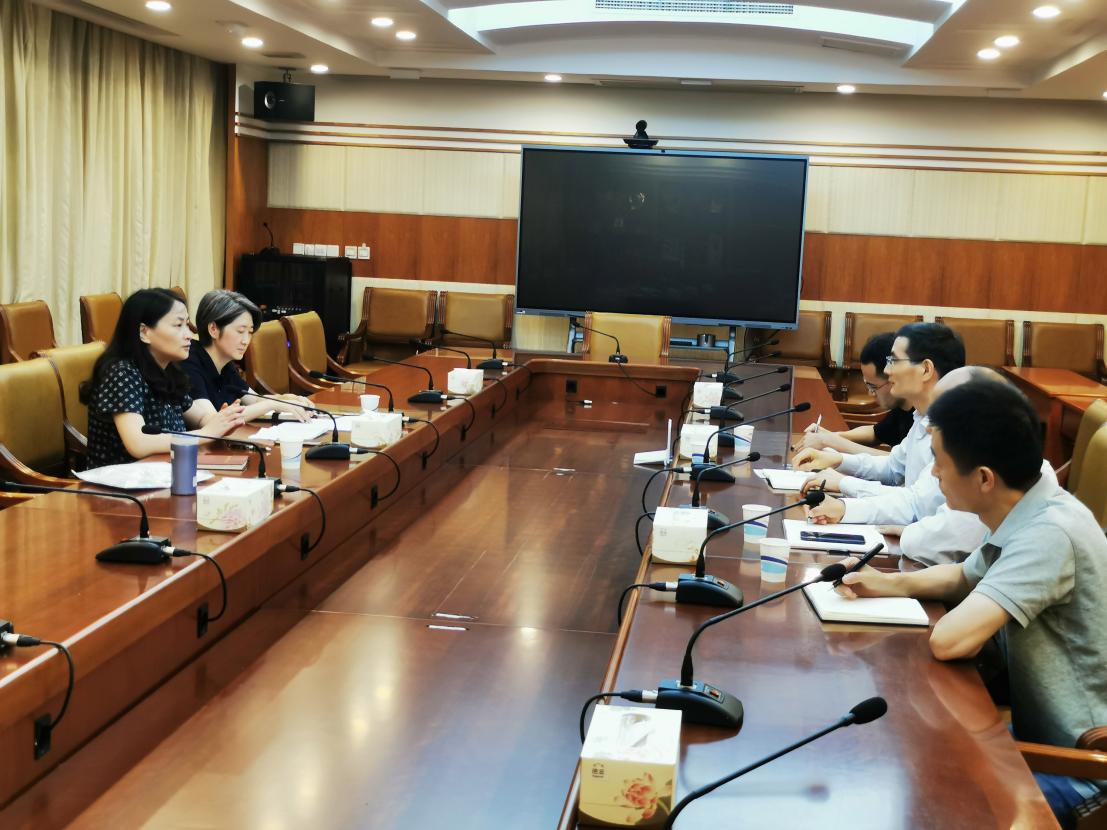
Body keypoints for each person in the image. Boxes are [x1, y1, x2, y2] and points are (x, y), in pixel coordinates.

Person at [834, 378, 1107, 828]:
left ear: (983, 478)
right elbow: (964, 574)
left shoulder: (1050, 534)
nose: (934, 475)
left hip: (1080, 766)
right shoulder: (1028, 507)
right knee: (906, 759)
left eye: (940, 463)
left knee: (927, 801)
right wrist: (888, 585)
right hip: (1038, 738)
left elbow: (951, 641)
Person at [792, 322, 965, 499]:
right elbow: (892, 468)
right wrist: (838, 460)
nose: (887, 370)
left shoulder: (953, 430)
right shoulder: (921, 416)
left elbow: (916, 502)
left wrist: (843, 483)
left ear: (925, 369)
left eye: (893, 361)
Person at [80, 288, 247, 469]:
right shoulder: (121, 372)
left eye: (187, 325)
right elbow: (138, 443)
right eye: (178, 325)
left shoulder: (167, 369)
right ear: (144, 332)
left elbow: (200, 418)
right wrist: (204, 434)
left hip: (165, 470)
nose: (189, 335)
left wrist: (222, 421)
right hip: (120, 481)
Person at [181, 289, 312, 422]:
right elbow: (212, 421)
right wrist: (272, 404)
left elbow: (254, 400)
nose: (246, 341)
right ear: (213, 329)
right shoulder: (188, 360)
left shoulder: (225, 364)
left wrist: (286, 400)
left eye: (249, 332)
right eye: (240, 331)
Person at [796, 332, 913, 456]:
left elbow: (900, 463)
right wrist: (831, 436)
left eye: (873, 386)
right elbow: (876, 433)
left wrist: (831, 441)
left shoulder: (921, 415)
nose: (870, 393)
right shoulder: (902, 407)